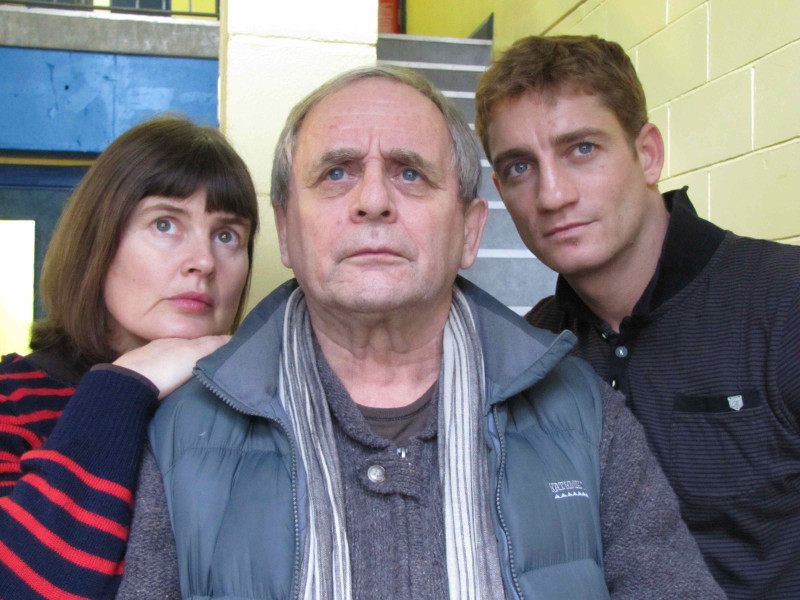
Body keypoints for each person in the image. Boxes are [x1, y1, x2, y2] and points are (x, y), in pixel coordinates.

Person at [126, 65, 723, 599]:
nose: (374, 201)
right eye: (337, 172)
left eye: (410, 173)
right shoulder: (186, 429)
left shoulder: (580, 410)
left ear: (468, 230)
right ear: (285, 230)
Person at [475, 34, 800, 600]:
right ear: (501, 190)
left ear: (647, 154)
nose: (552, 195)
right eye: (521, 167)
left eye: (581, 149)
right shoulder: (533, 353)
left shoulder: (784, 300)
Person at [0, 116, 259, 600]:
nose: (203, 261)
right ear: (98, 243)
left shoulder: (259, 414)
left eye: (227, 235)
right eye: (165, 224)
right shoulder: (12, 401)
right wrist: (121, 389)